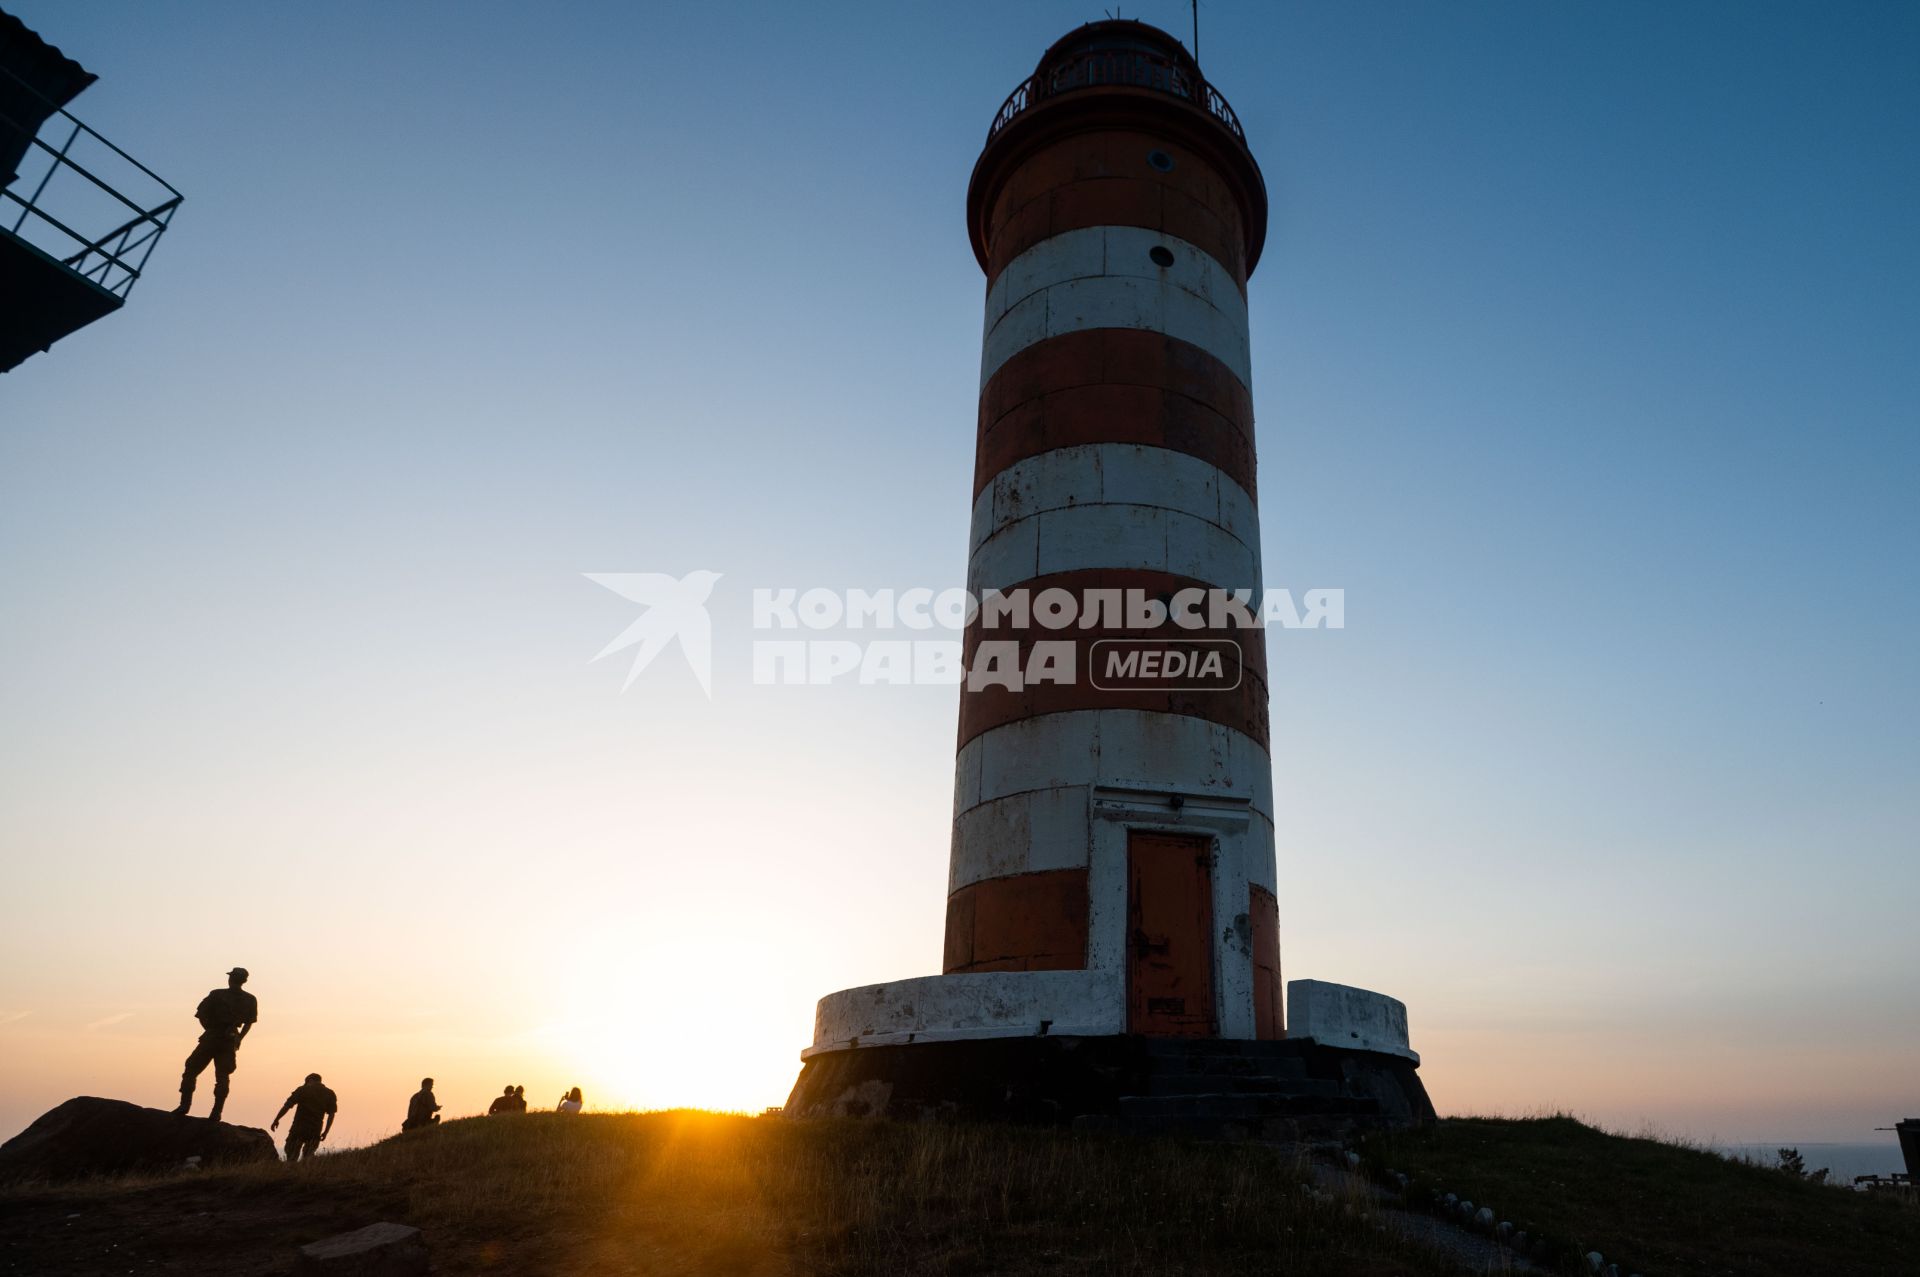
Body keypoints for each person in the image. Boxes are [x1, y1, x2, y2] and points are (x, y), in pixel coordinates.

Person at [172, 967, 258, 1122]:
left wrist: (210, 1029)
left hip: (213, 1036)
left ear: (231, 979)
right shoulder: (250, 999)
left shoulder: (217, 994)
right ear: (244, 981)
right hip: (229, 1039)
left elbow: (201, 1014)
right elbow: (248, 1023)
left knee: (191, 1068)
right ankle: (216, 1112)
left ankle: (185, 1106)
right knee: (222, 1076)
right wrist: (239, 1038)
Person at [270, 1072, 336, 1163]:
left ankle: (291, 1172)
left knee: (291, 1153)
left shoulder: (302, 1090)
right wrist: (326, 1131)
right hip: (315, 1129)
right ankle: (305, 1172)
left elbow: (287, 1106)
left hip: (299, 1127)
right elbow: (331, 1114)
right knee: (308, 1156)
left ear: (310, 1080)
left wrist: (276, 1119)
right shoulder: (330, 1093)